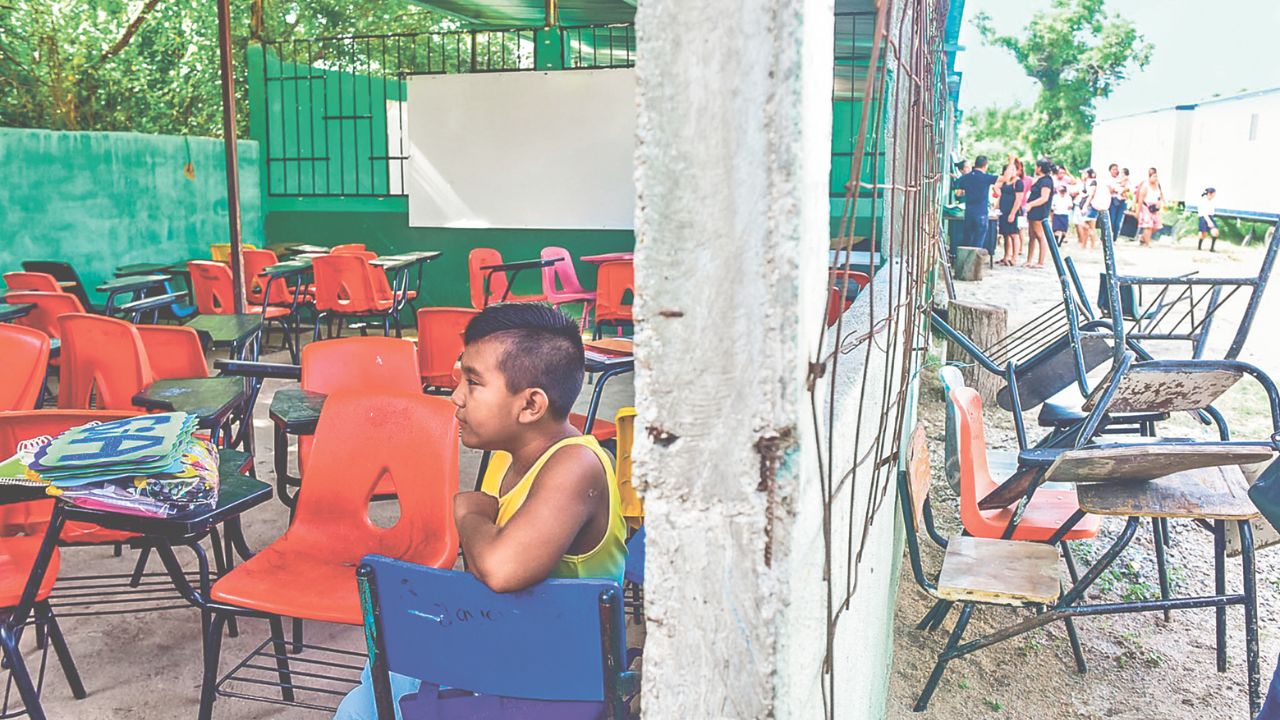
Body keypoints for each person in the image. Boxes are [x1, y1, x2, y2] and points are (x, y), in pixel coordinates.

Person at [335, 302, 629, 719]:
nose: (456, 397)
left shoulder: (576, 465)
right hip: (510, 643)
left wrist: (469, 515)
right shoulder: (505, 458)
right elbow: (481, 565)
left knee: (382, 687)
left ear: (530, 405)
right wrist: (480, 526)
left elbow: (500, 568)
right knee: (372, 684)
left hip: (562, 673)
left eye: (473, 382)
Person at [953, 155, 999, 254]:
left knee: (967, 241)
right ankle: (973, 266)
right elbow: (1004, 178)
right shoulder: (986, 177)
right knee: (978, 243)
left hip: (969, 213)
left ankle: (964, 264)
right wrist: (1011, 162)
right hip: (981, 214)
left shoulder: (966, 177)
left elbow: (956, 186)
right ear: (985, 165)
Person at [1023, 159, 1055, 267]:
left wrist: (1031, 204)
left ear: (1040, 168)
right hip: (1033, 210)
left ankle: (1041, 261)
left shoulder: (1046, 181)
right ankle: (1029, 259)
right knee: (1032, 235)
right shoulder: (1039, 179)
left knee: (1039, 235)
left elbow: (1044, 197)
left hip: (1040, 210)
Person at [994, 162, 1023, 265]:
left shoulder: (1018, 182)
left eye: (1013, 169)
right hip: (1003, 210)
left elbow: (1018, 199)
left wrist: (1013, 213)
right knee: (1005, 234)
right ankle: (1006, 255)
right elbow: (996, 187)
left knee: (1014, 234)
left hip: (1012, 210)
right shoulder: (1005, 182)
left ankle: (1014, 257)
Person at [1135, 167, 1165, 247]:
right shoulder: (1145, 185)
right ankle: (1147, 243)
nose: (1155, 178)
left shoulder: (1157, 184)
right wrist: (1138, 210)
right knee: (1148, 226)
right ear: (1149, 176)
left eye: (1156, 176)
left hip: (1155, 207)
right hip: (1146, 207)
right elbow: (1140, 198)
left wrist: (1162, 202)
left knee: (1156, 226)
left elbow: (1161, 194)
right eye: (1154, 176)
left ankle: (1143, 237)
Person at [1107, 164, 1128, 239]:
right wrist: (1118, 189)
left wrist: (1119, 189)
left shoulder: (1121, 179)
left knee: (1118, 220)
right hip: (1113, 201)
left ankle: (1115, 237)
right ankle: (1107, 236)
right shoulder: (1108, 179)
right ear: (1110, 170)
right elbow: (1110, 190)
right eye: (1114, 169)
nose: (1116, 171)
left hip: (1122, 201)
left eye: (1117, 169)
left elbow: (1127, 188)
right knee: (1111, 219)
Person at [1198, 187, 1220, 251]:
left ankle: (1212, 248)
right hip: (1203, 218)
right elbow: (1204, 213)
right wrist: (1209, 221)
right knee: (1204, 234)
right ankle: (1199, 246)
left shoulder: (1212, 201)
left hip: (1210, 217)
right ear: (1210, 193)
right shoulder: (1203, 201)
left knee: (1215, 232)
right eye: (1214, 193)